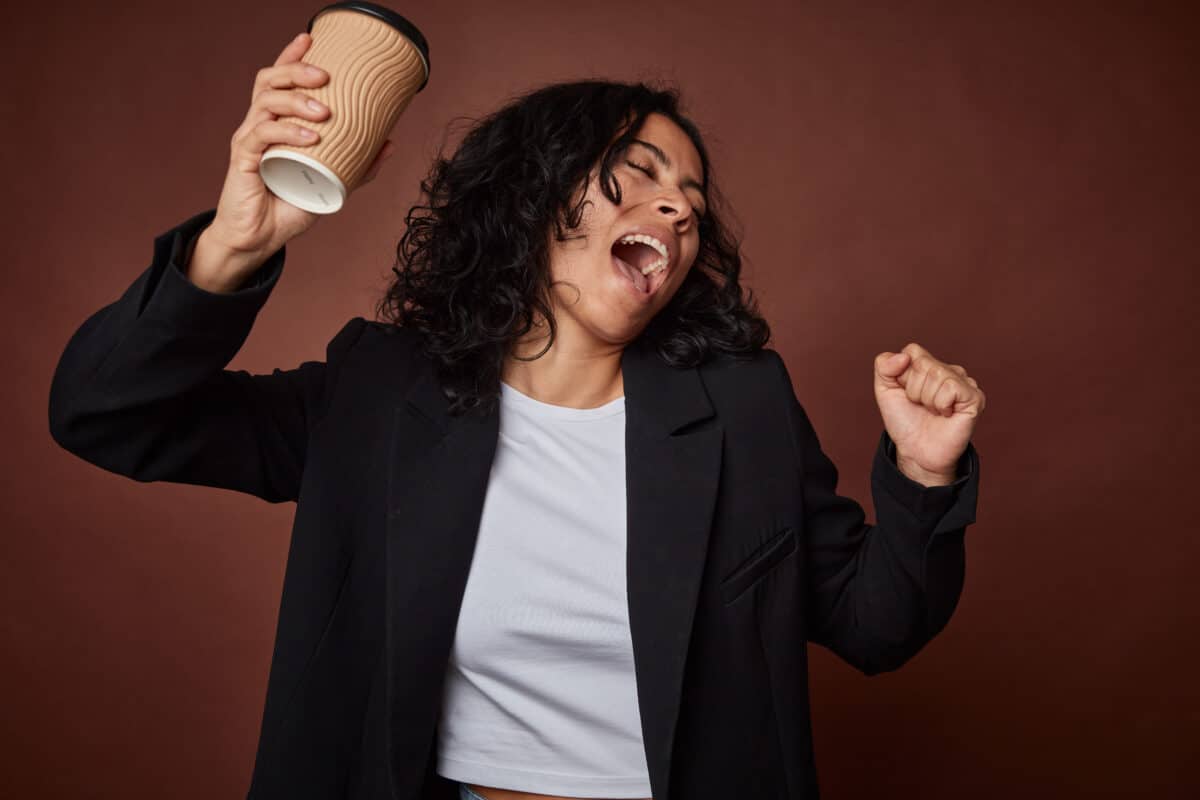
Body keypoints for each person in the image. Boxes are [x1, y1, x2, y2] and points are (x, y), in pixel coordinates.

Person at [48, 31, 984, 800]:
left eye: (693, 202)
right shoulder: (379, 394)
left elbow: (875, 625)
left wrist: (926, 472)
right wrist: (231, 244)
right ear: (533, 198)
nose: (678, 210)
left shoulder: (741, 407)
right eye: (640, 171)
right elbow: (106, 412)